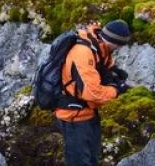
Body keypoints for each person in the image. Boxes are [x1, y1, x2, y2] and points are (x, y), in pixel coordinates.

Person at [54, 20, 131, 166]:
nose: (120, 49)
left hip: (88, 113)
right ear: (115, 42)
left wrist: (114, 72)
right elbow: (92, 93)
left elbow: (104, 67)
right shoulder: (83, 52)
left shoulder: (99, 47)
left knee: (92, 159)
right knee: (79, 162)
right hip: (73, 117)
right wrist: (116, 90)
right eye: (120, 45)